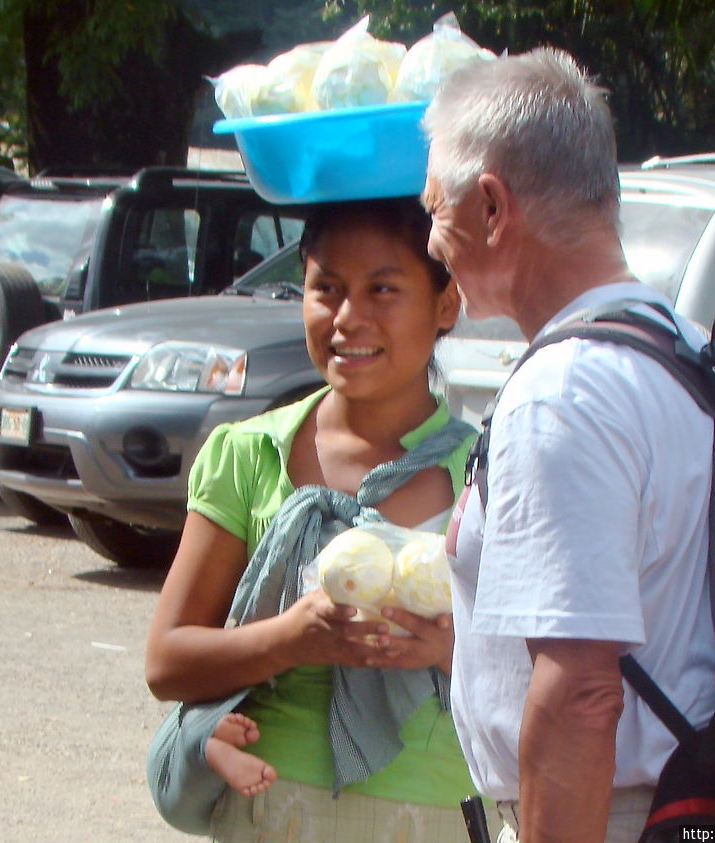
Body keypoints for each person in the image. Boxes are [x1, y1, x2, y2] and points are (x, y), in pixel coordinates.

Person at [422, 48, 715, 842]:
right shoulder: (680, 346)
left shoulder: (563, 395)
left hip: (611, 818)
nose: (430, 241)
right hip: (696, 797)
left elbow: (582, 692)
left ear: (490, 206)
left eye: (432, 209)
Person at [144, 197, 501, 842]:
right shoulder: (249, 454)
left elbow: (554, 670)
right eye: (326, 288)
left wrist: (451, 649)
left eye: (383, 289)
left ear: (446, 305)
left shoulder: (490, 468)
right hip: (272, 812)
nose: (348, 318)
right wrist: (291, 639)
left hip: (439, 814)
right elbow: (168, 661)